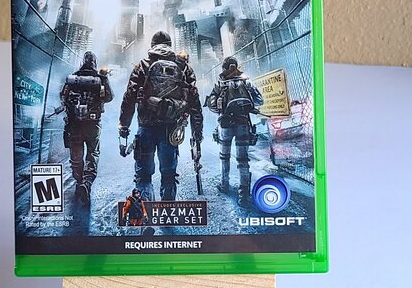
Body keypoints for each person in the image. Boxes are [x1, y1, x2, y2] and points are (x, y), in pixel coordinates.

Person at [118, 30, 203, 201]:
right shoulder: (183, 67)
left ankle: (145, 210)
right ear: (170, 46)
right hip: (171, 130)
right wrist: (197, 132)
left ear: (152, 46)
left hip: (146, 128)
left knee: (143, 175)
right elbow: (194, 101)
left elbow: (129, 97)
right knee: (169, 174)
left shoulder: (142, 65)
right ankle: (167, 210)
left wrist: (124, 125)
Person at [206, 56, 263, 206]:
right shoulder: (246, 81)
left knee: (224, 156)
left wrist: (222, 107)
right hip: (243, 123)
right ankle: (244, 195)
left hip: (225, 124)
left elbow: (212, 105)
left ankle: (224, 185)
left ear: (224, 68)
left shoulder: (220, 83)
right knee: (243, 160)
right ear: (236, 66)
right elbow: (259, 100)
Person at [61, 51, 113, 205]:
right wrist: (105, 78)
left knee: (76, 156)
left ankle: (79, 182)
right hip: (93, 124)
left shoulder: (73, 78)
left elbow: (63, 97)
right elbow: (109, 97)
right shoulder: (99, 79)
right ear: (94, 63)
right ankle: (87, 183)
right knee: (92, 153)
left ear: (82, 62)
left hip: (74, 124)